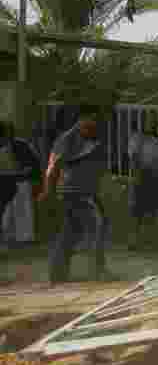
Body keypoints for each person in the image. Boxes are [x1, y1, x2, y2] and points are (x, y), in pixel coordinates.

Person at [37, 106, 115, 286]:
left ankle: (58, 274)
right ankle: (97, 271)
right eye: (91, 120)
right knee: (97, 226)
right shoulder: (67, 139)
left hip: (83, 191)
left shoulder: (90, 137)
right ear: (82, 119)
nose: (95, 124)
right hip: (74, 192)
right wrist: (47, 190)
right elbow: (52, 167)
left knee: (70, 233)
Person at [126, 114, 158, 249]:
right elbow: (133, 158)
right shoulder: (137, 138)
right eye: (149, 123)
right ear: (143, 124)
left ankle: (149, 241)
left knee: (153, 210)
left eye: (154, 123)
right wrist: (136, 175)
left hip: (157, 178)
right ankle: (134, 241)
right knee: (136, 211)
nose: (152, 125)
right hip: (142, 176)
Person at [0, 121, 42, 249]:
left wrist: (28, 172)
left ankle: (24, 238)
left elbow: (34, 164)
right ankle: (7, 238)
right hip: (4, 181)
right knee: (6, 212)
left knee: (22, 210)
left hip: (21, 181)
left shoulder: (21, 145)